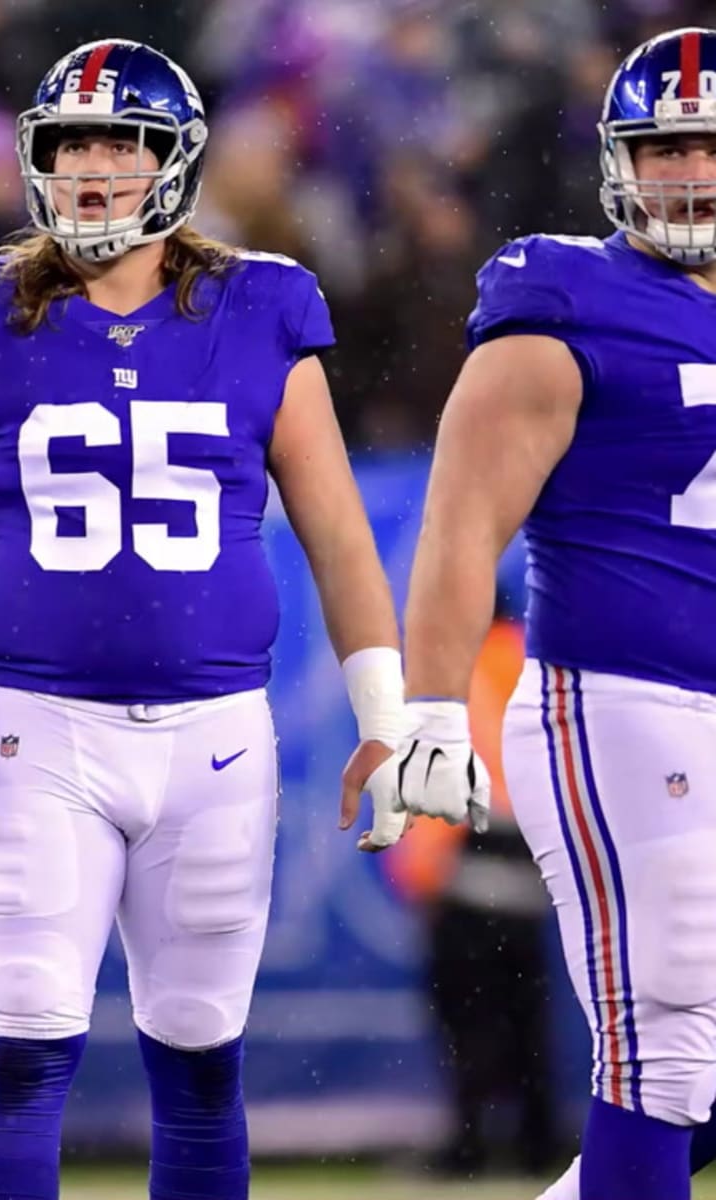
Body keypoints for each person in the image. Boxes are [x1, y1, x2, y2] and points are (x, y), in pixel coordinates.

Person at [0, 37, 407, 1200]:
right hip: (35, 735)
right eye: (70, 145)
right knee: (24, 1057)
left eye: (121, 142)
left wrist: (384, 715)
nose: (94, 169)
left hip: (215, 738)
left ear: (176, 160)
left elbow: (339, 533)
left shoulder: (261, 305)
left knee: (203, 1065)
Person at [395, 25, 716, 1200]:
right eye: (666, 148)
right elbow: (461, 522)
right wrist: (428, 709)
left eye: (711, 147)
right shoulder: (570, 294)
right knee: (667, 1036)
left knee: (700, 1073)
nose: (691, 173)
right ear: (620, 161)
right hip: (625, 698)